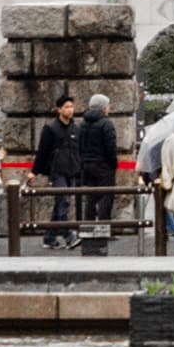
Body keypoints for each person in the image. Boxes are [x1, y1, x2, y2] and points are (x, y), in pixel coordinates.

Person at [33, 96, 84, 247]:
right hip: (57, 171)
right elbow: (42, 151)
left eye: (72, 106)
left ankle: (49, 237)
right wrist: (34, 171)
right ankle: (68, 236)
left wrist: (80, 168)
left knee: (59, 204)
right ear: (59, 109)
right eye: (67, 107)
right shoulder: (50, 128)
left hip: (72, 170)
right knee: (64, 202)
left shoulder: (76, 128)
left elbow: (79, 150)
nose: (70, 109)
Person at [78, 94, 123, 247]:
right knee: (106, 198)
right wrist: (113, 164)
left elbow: (79, 146)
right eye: (108, 105)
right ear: (104, 107)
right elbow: (111, 147)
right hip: (104, 166)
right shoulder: (106, 123)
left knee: (90, 198)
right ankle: (104, 230)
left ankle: (89, 231)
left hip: (87, 166)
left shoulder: (83, 123)